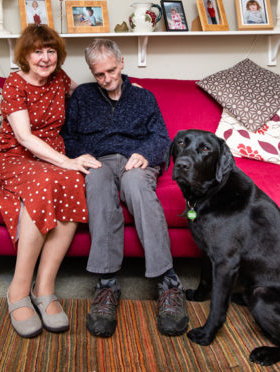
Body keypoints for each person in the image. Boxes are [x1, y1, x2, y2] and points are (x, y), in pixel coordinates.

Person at [61, 39, 188, 338]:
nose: (106, 79)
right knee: (98, 183)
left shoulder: (144, 98)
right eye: (99, 74)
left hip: (136, 160)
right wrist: (81, 156)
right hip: (99, 160)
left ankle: (168, 284)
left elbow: (161, 138)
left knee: (137, 187)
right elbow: (68, 136)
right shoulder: (82, 97)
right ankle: (106, 285)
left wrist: (146, 154)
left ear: (122, 63)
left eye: (111, 70)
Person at [0, 25, 101, 338]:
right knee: (50, 179)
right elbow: (23, 137)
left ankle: (44, 287)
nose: (45, 58)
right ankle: (18, 290)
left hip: (50, 153)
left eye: (50, 51)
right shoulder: (14, 83)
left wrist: (127, 88)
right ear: (24, 54)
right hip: (14, 152)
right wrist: (67, 161)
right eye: (38, 51)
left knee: (74, 181)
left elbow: (85, 94)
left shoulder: (59, 78)